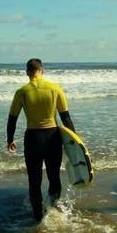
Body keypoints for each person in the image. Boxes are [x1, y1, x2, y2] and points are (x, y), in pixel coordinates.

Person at [7, 58, 76, 221]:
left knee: (34, 180)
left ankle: (37, 216)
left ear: (27, 72)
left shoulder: (22, 92)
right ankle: (52, 208)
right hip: (53, 138)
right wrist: (74, 142)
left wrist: (10, 139)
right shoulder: (55, 88)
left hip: (33, 139)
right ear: (42, 70)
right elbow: (66, 118)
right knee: (54, 177)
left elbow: (12, 119)